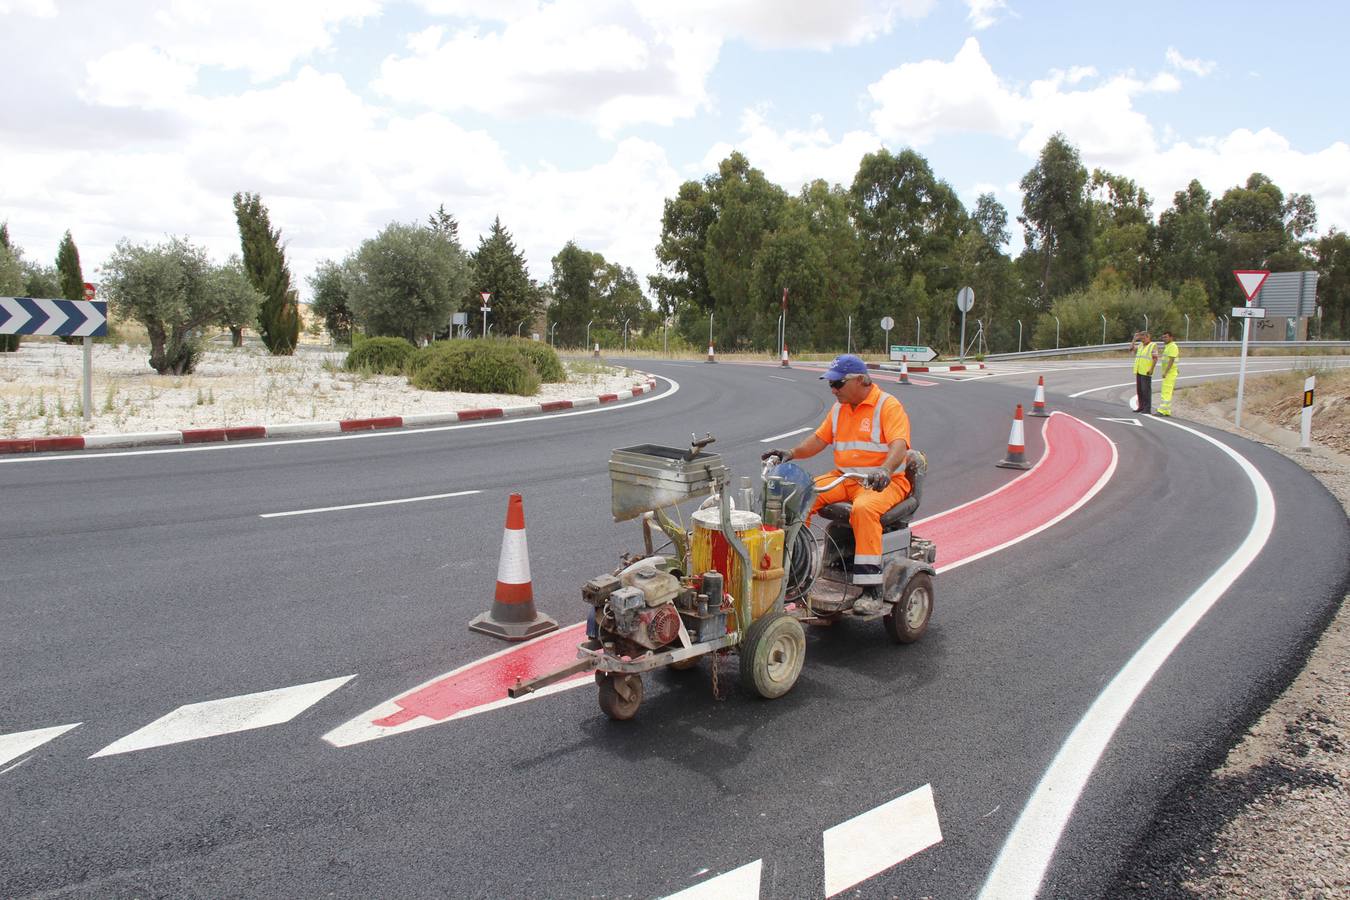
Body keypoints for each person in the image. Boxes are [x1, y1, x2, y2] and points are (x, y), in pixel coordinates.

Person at [761, 354, 911, 615]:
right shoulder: (839, 409)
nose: (833, 390)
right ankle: (795, 573)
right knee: (797, 497)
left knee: (863, 510)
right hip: (846, 477)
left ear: (861, 380)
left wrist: (885, 470)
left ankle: (871, 589)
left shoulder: (888, 406)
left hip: (883, 482)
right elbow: (819, 440)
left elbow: (899, 444)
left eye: (838, 384)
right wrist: (791, 453)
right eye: (830, 384)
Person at [1130, 330, 1158, 414]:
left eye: (1143, 338)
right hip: (1139, 370)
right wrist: (1134, 339)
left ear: (1147, 337)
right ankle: (1141, 406)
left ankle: (1147, 408)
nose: (1142, 339)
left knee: (1146, 390)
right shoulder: (1141, 345)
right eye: (1140, 338)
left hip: (1146, 371)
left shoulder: (1153, 345)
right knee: (1140, 390)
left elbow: (1155, 358)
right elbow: (1131, 349)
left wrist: (1151, 369)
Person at [1156, 330, 1180, 416]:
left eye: (1166, 337)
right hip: (1170, 372)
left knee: (1166, 392)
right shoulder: (1168, 346)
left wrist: (1166, 372)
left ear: (1171, 337)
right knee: (1167, 391)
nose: (1164, 339)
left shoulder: (1172, 346)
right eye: (1163, 337)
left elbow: (1171, 360)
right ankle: (1167, 411)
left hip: (1169, 373)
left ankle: (1162, 410)